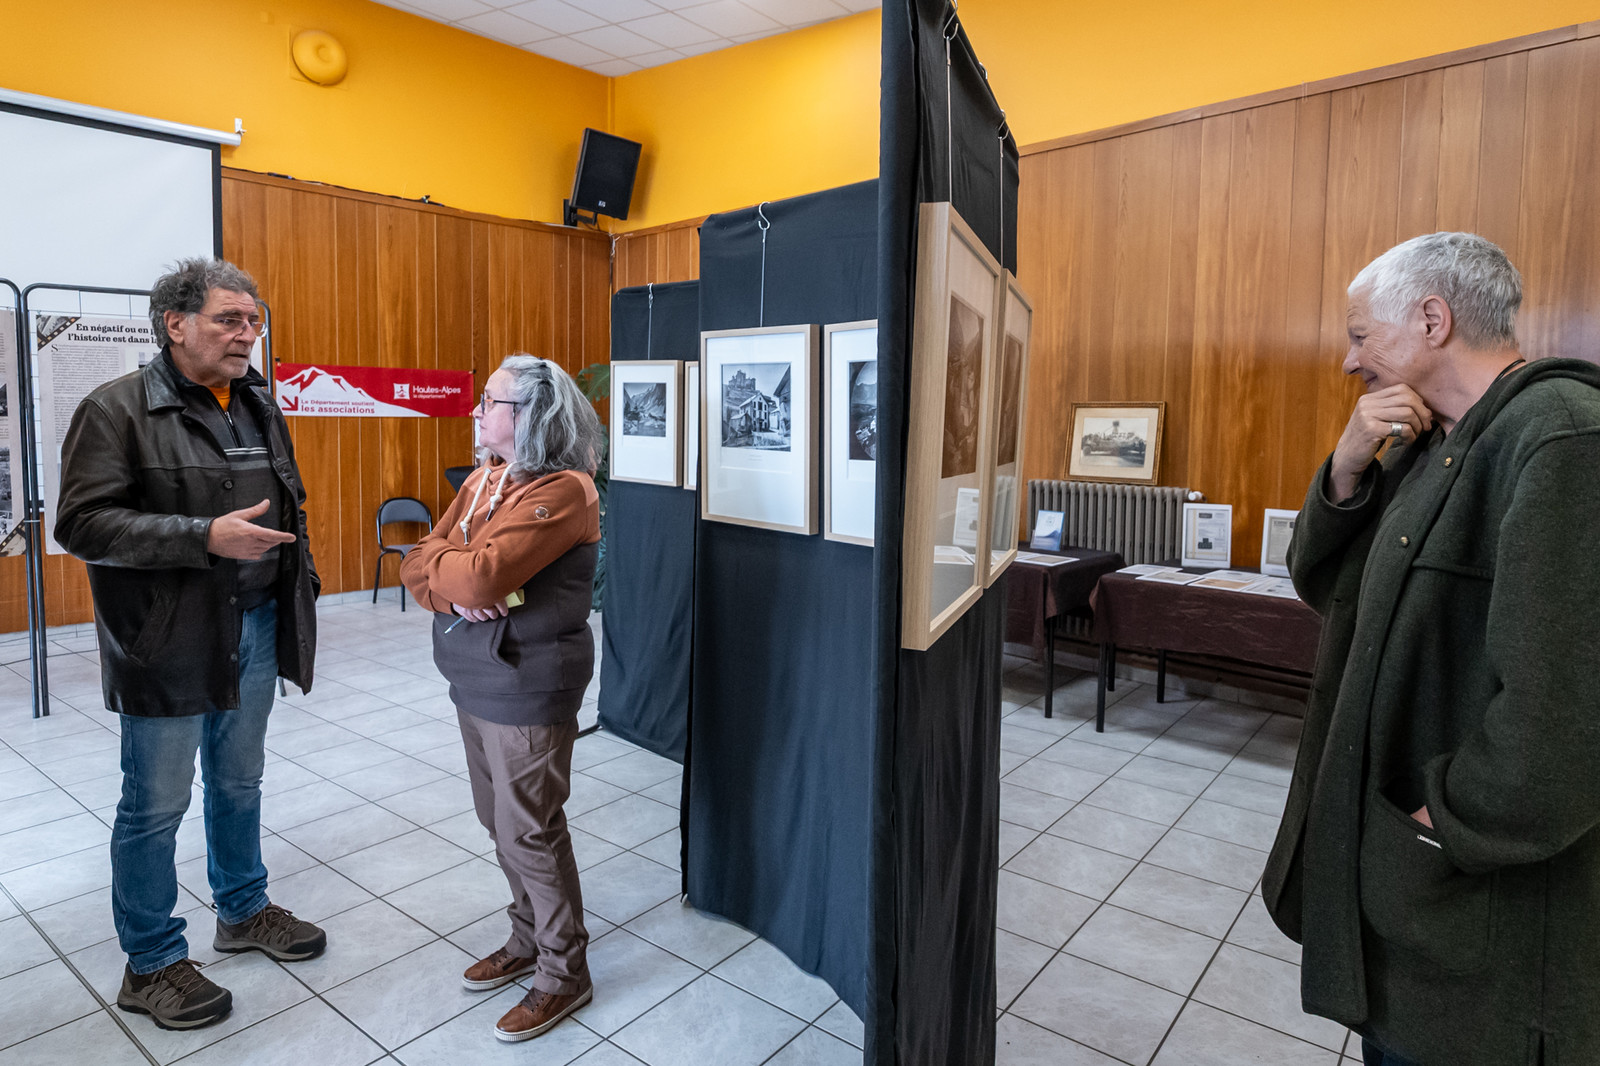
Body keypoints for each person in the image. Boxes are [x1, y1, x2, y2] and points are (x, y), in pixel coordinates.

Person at [1262, 232, 1600, 1065]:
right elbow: (1326, 587)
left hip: (1481, 941)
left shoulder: (1561, 439)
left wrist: (1436, 827)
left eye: (1360, 335)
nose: (1349, 360)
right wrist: (1347, 466)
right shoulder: (1430, 443)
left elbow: (1563, 726)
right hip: (1419, 908)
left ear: (1432, 319)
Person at [54, 258, 325, 1031]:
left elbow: (290, 503)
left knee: (239, 781)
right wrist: (202, 535)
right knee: (156, 803)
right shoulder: (115, 409)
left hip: (256, 624)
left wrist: (298, 584)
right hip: (168, 635)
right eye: (229, 320)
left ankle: (242, 909)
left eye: (253, 321)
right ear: (175, 324)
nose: (248, 334)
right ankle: (150, 963)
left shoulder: (259, 403)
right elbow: (82, 524)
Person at [400, 354, 602, 1043]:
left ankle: (564, 971)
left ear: (531, 415)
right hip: (473, 674)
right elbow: (419, 559)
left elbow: (481, 580)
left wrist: (460, 579)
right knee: (498, 820)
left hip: (528, 680)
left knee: (528, 828)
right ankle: (527, 938)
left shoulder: (565, 490)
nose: (476, 410)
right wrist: (450, 582)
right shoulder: (487, 476)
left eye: (490, 401)